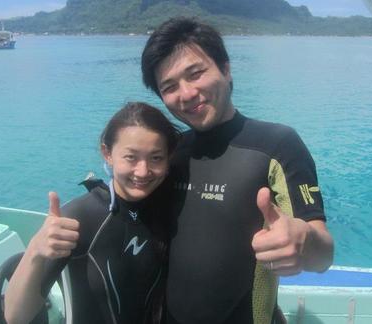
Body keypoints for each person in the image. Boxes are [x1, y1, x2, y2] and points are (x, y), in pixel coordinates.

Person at [141, 17, 334, 324]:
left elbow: (323, 256)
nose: (187, 93)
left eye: (196, 73)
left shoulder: (278, 145)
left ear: (226, 69)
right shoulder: (172, 153)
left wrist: (303, 241)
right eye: (170, 86)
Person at [4, 102, 180, 324]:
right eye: (131, 157)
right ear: (107, 153)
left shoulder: (167, 206)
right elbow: (16, 317)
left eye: (156, 158)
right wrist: (35, 251)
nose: (143, 171)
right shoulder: (79, 218)